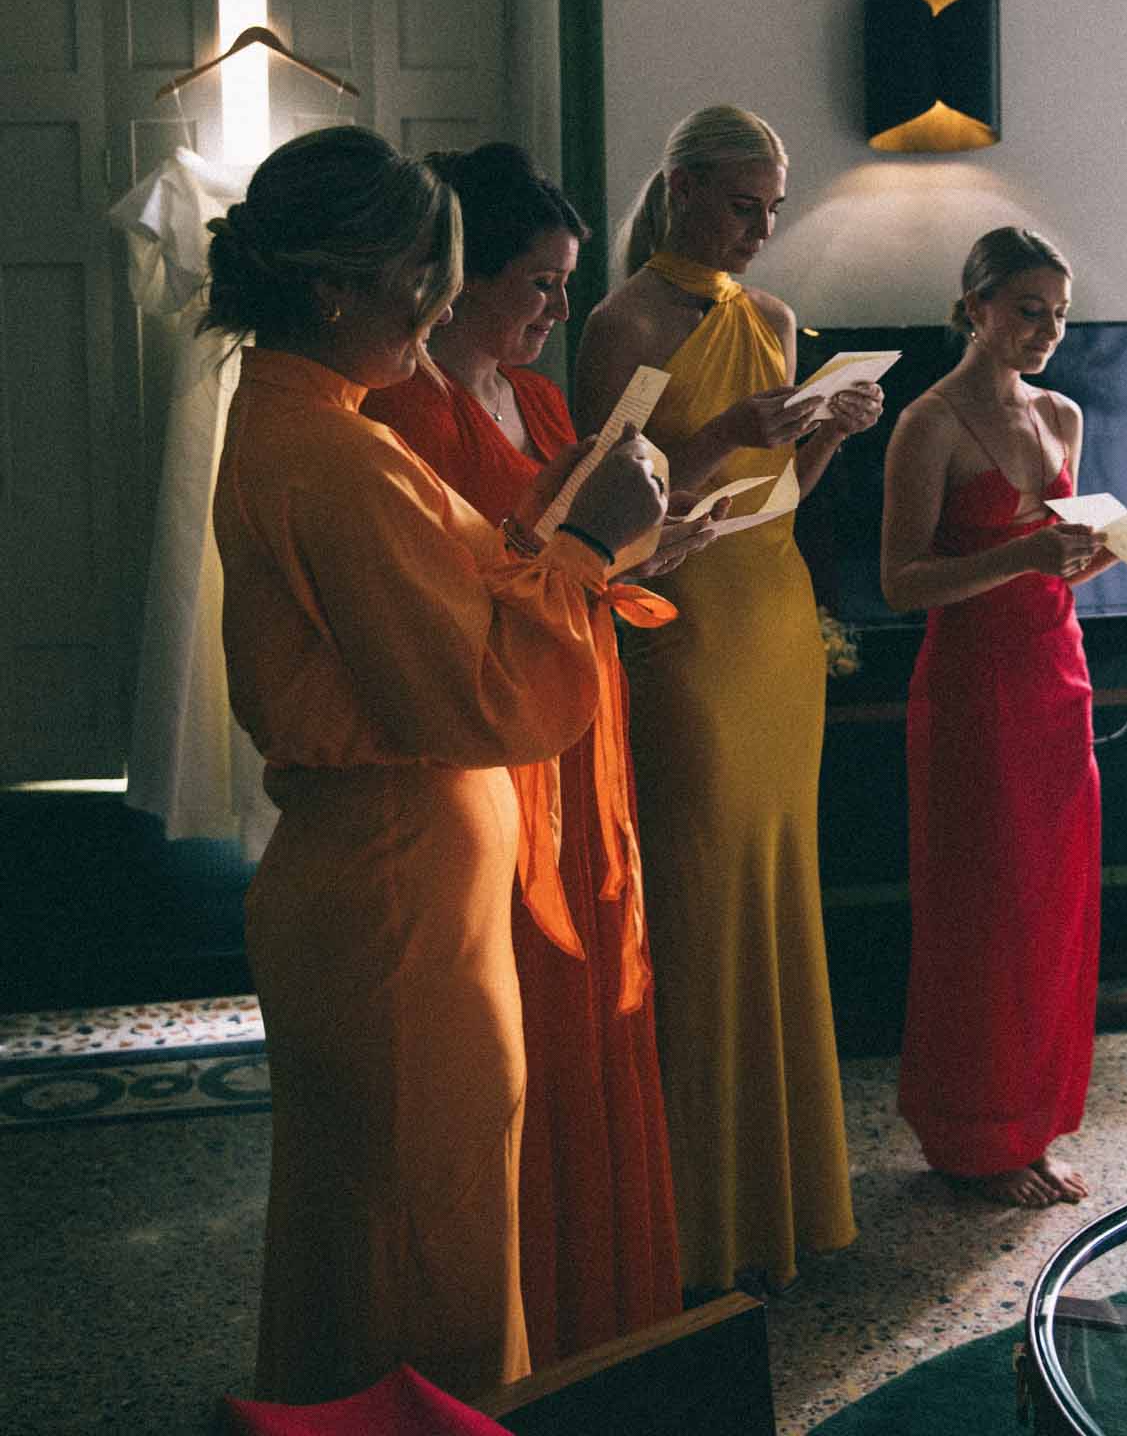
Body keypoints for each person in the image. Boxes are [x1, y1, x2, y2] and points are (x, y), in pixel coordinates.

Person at [203, 125, 665, 1404]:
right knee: (426, 1245)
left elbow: (456, 578)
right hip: (395, 897)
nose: (440, 303)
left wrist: (557, 525)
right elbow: (473, 689)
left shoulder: (307, 417)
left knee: (384, 1225)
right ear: (335, 286)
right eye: (426, 276)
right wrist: (588, 549)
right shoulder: (336, 453)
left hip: (395, 886)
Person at [363, 141, 690, 1363]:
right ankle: (526, 1315)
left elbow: (585, 558)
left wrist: (662, 534)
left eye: (565, 282)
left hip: (583, 713)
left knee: (599, 980)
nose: (559, 307)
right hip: (495, 738)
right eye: (539, 282)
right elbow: (445, 598)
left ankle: (602, 1304)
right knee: (522, 1008)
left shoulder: (543, 402)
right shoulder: (403, 413)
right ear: (461, 279)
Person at [574, 104, 884, 1294]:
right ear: (684, 188)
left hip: (774, 620)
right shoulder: (623, 322)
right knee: (700, 900)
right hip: (686, 625)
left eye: (772, 209)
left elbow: (780, 492)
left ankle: (780, 1200)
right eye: (743, 205)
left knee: (777, 888)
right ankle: (694, 1219)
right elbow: (606, 504)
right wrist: (717, 433)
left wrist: (827, 432)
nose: (760, 229)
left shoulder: (776, 319)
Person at [880, 226, 1127, 1208]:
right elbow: (901, 581)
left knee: (1053, 908)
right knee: (983, 915)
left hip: (1056, 679)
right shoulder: (929, 423)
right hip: (973, 690)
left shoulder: (1062, 414)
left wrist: (1110, 547)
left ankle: (1030, 1125)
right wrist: (1018, 557)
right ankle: (972, 1137)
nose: (1047, 331)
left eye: (1060, 314)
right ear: (975, 306)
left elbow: (1061, 562)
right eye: (1029, 310)